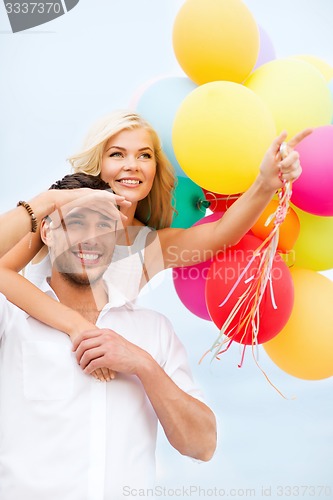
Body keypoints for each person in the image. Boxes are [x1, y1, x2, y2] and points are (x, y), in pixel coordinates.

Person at [0, 110, 311, 349]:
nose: (133, 165)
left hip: (99, 365)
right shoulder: (64, 217)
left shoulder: (150, 246)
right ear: (99, 162)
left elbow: (221, 234)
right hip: (32, 354)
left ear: (154, 170)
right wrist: (74, 325)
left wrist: (267, 182)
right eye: (117, 154)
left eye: (144, 155)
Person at [0, 173, 217, 500]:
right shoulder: (10, 319)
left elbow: (202, 445)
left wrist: (143, 364)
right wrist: (47, 202)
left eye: (104, 225)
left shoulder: (153, 330)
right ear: (47, 231)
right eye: (75, 222)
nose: (90, 238)